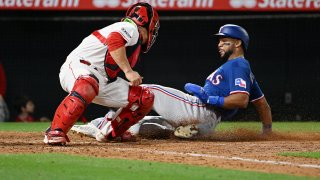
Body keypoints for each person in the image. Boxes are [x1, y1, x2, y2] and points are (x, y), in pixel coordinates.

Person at [71, 24, 272, 141]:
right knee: (146, 124)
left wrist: (209, 97)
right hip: (208, 120)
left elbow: (240, 100)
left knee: (146, 91)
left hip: (201, 107)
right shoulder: (244, 71)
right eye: (219, 40)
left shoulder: (238, 65)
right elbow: (262, 105)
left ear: (238, 43)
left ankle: (103, 126)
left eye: (224, 40)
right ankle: (179, 130)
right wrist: (267, 133)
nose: (219, 43)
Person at [43, 2, 160, 145]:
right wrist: (128, 71)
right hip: (79, 67)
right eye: (153, 27)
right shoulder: (131, 28)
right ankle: (55, 131)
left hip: (101, 79)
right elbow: (115, 40)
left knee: (144, 98)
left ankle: (111, 132)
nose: (153, 32)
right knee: (88, 83)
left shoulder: (131, 38)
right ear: (146, 23)